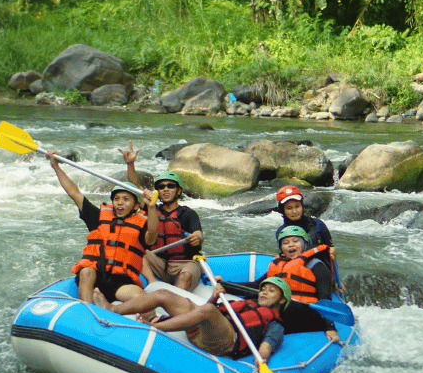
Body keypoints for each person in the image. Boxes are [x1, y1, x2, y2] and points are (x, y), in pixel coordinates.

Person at [48, 151, 159, 306]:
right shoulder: (98, 217)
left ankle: (121, 311)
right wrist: (56, 167)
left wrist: (152, 207)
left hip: (120, 281)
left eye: (126, 199)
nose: (120, 203)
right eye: (116, 199)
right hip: (96, 276)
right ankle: (89, 311)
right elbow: (74, 193)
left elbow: (152, 236)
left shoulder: (141, 223)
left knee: (140, 296)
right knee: (86, 271)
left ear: (135, 206)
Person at [110, 277, 292, 361]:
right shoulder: (248, 304)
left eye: (271, 291)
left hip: (222, 342)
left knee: (208, 310)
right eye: (263, 289)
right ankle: (113, 309)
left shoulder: (275, 323)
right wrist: (214, 297)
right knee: (164, 294)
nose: (264, 293)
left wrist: (263, 358)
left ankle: (153, 327)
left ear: (282, 300)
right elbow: (211, 312)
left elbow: (268, 344)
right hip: (201, 330)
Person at [120, 143, 204, 291]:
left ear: (178, 191)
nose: (165, 189)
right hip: (160, 263)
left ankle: (177, 303)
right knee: (138, 250)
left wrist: (196, 238)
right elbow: (135, 187)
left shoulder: (188, 213)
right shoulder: (152, 209)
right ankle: (153, 284)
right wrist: (131, 164)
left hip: (184, 264)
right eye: (161, 186)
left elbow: (198, 235)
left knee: (185, 276)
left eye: (170, 186)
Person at [274, 185, 342, 292]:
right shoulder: (281, 232)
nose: (294, 211)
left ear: (302, 207)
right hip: (296, 270)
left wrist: (336, 280)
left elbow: (331, 252)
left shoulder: (318, 224)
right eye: (289, 208)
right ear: (283, 211)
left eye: (297, 206)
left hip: (320, 270)